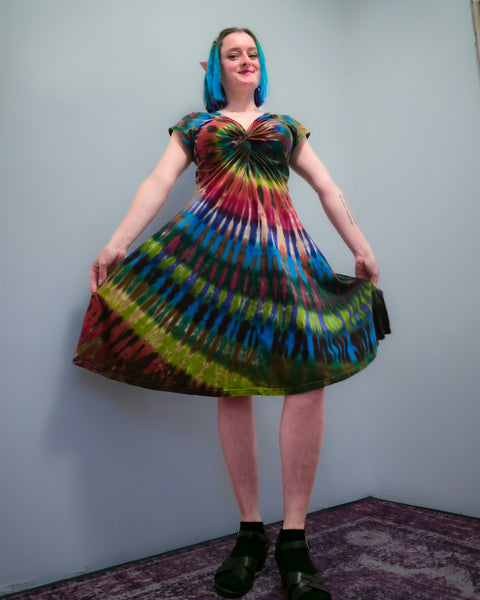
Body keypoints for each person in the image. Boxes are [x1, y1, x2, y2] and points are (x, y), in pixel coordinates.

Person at [73, 27, 390, 600]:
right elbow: (158, 181)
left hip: (287, 260)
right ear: (214, 67)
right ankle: (250, 533)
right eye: (232, 53)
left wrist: (361, 247)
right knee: (231, 387)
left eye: (252, 53)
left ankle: (294, 539)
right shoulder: (196, 126)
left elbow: (326, 186)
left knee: (309, 382)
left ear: (260, 64)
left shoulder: (286, 125)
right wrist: (117, 244)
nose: (245, 60)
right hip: (218, 267)